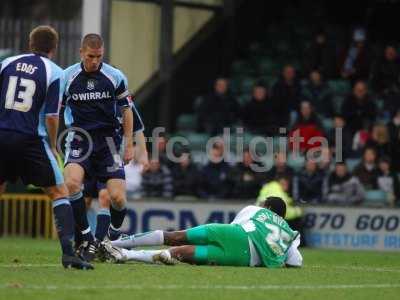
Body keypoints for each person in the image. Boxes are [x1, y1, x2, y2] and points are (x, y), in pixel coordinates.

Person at [0, 26, 92, 269]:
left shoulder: (7, 62)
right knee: (58, 193)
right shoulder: (56, 72)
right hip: (31, 139)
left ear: (30, 43)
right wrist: (53, 145)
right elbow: (52, 116)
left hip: (1, 135)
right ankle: (69, 254)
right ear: (54, 47)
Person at [62, 33, 134, 260]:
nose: (95, 61)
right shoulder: (67, 77)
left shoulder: (114, 76)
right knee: (71, 184)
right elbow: (55, 110)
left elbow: (126, 110)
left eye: (99, 56)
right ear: (81, 53)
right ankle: (86, 238)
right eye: (91, 56)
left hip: (109, 141)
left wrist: (129, 142)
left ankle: (110, 238)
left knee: (118, 198)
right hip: (79, 138)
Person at [99, 197, 303, 268]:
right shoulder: (289, 231)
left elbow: (236, 226)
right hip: (243, 257)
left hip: (234, 234)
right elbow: (296, 262)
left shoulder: (257, 210)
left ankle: (114, 245)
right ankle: (125, 256)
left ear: (266, 207)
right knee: (181, 252)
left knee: (174, 236)